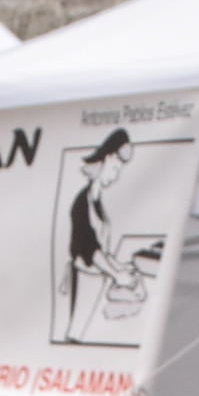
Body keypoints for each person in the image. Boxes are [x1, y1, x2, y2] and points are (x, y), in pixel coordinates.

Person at [63, 130, 140, 343]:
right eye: (115, 168)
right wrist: (117, 274)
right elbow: (90, 249)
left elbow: (102, 250)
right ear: (105, 160)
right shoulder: (81, 203)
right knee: (77, 332)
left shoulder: (97, 202)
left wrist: (119, 267)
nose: (115, 175)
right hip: (86, 277)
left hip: (97, 276)